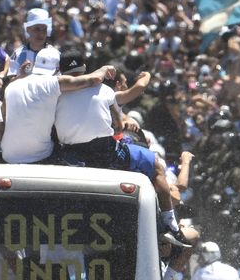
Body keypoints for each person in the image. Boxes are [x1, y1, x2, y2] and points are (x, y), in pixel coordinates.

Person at [52, 48, 187, 243]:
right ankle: (170, 224)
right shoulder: (105, 90)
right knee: (157, 165)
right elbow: (119, 126)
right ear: (84, 68)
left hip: (72, 158)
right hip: (107, 155)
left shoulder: (53, 94)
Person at [1, 46, 115, 164]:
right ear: (58, 69)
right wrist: (104, 68)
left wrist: (20, 76)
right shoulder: (54, 83)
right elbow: (94, 79)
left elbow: (1, 121)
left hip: (8, 156)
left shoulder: (11, 86)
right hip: (41, 157)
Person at [10, 8, 55, 77]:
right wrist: (21, 76)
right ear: (28, 30)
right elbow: (10, 82)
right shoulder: (17, 55)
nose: (41, 34)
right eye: (37, 29)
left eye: (44, 30)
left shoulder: (55, 54)